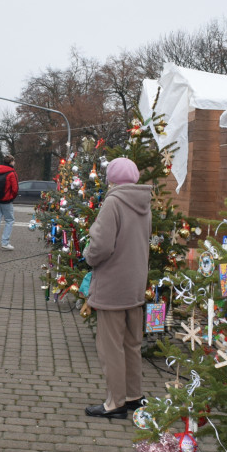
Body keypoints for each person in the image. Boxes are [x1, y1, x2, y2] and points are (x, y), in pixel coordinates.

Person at [82, 157, 152, 419]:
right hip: (135, 284)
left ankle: (115, 402)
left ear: (112, 177)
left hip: (112, 284)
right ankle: (134, 395)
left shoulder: (113, 202)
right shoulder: (144, 202)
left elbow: (100, 246)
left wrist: (88, 255)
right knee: (132, 343)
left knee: (111, 346)